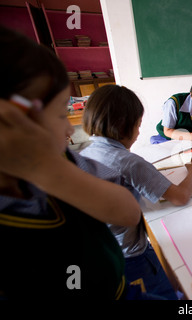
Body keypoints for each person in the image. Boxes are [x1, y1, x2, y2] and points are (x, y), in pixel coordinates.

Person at [0, 26, 142, 300]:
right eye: (59, 115)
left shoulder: (62, 159)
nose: (69, 130)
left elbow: (128, 212)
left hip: (120, 289)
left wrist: (47, 170)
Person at [80, 84, 192, 299]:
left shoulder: (84, 154)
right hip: (131, 255)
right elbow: (180, 197)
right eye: (138, 126)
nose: (138, 133)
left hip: (98, 251)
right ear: (123, 126)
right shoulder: (128, 162)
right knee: (166, 289)